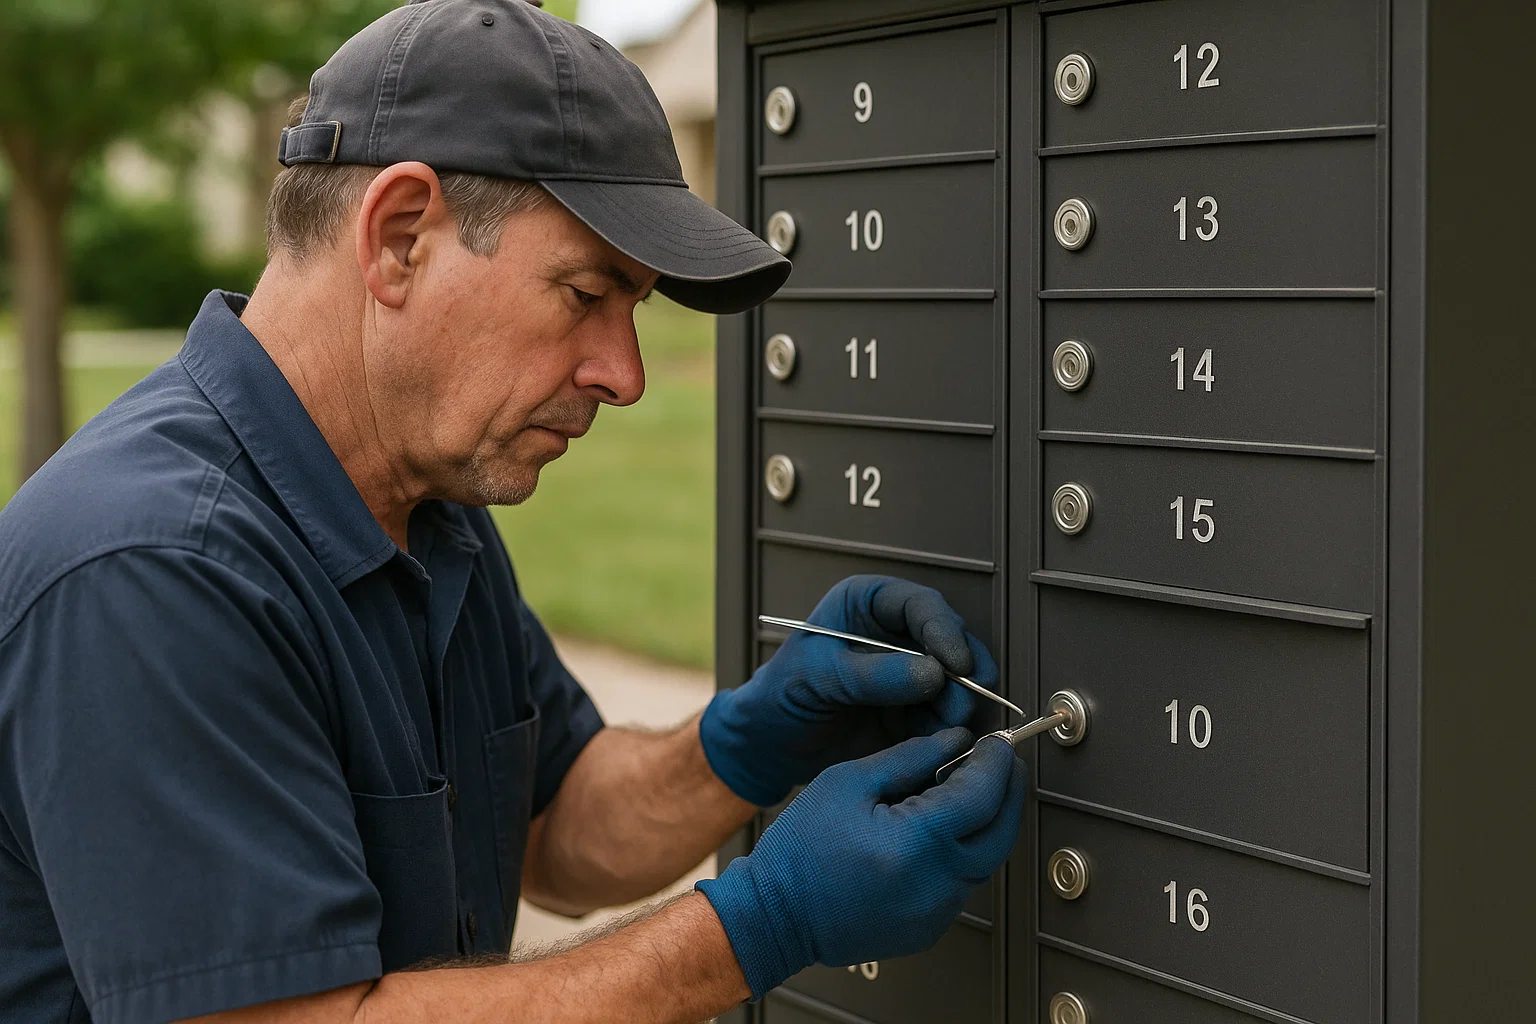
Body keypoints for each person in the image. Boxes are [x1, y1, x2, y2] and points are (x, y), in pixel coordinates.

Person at [0, 2, 1026, 1021]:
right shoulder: (153, 567)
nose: (623, 375)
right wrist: (764, 920)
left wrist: (748, 742)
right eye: (587, 295)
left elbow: (554, 826)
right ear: (400, 238)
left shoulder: (425, 498)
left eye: (636, 311)